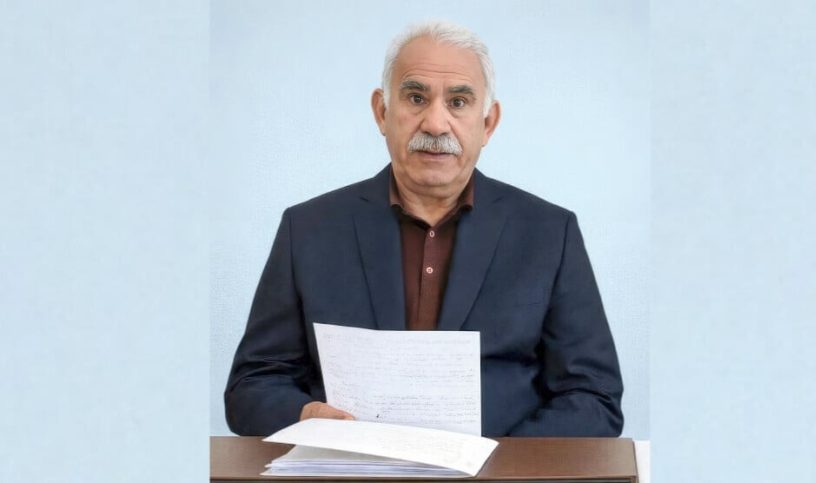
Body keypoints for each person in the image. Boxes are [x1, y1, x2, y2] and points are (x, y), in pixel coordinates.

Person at [224, 20, 623, 437]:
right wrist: (305, 417)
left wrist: (500, 462)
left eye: (458, 102)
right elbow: (252, 387)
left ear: (488, 123)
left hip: (500, 468)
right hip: (349, 465)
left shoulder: (550, 233)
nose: (435, 124)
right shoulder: (308, 229)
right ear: (382, 112)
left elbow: (594, 398)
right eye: (416, 98)